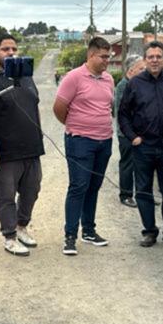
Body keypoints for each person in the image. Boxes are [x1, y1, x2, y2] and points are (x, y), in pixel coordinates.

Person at [0, 33, 44, 257]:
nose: (11, 53)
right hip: (4, 153)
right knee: (6, 196)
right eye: (5, 49)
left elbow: (34, 106)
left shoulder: (25, 77)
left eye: (14, 49)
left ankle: (21, 227)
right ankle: (10, 236)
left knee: (32, 190)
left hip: (31, 149)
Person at [118, 41, 163, 248]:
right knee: (143, 192)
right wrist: (133, 137)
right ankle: (149, 231)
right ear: (145, 60)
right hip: (144, 147)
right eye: (151, 57)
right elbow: (123, 114)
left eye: (158, 56)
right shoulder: (135, 83)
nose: (155, 60)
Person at [53, 36, 115, 256]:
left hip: (104, 141)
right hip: (80, 141)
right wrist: (76, 126)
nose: (107, 60)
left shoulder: (108, 79)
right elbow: (59, 108)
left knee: (94, 187)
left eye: (109, 56)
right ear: (91, 55)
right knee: (78, 187)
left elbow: (109, 106)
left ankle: (89, 230)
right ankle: (70, 236)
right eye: (103, 56)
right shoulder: (74, 77)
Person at [113, 54, 145, 207]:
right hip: (127, 135)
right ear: (131, 71)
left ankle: (143, 195)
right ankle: (125, 195)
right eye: (141, 68)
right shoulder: (123, 86)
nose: (144, 71)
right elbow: (122, 113)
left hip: (141, 134)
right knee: (128, 164)